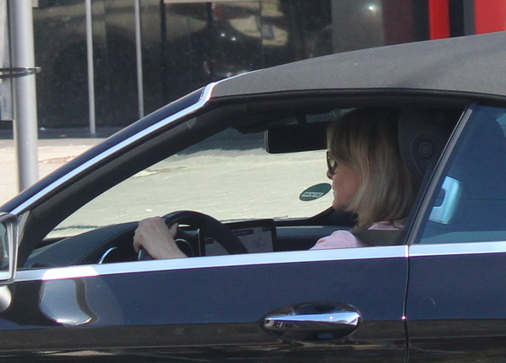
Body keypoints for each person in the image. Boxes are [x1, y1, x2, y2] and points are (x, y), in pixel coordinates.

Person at [129, 107, 413, 260]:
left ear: (368, 170)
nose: (330, 175)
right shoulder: (420, 234)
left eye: (336, 162)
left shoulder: (345, 250)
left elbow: (251, 309)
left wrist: (167, 252)